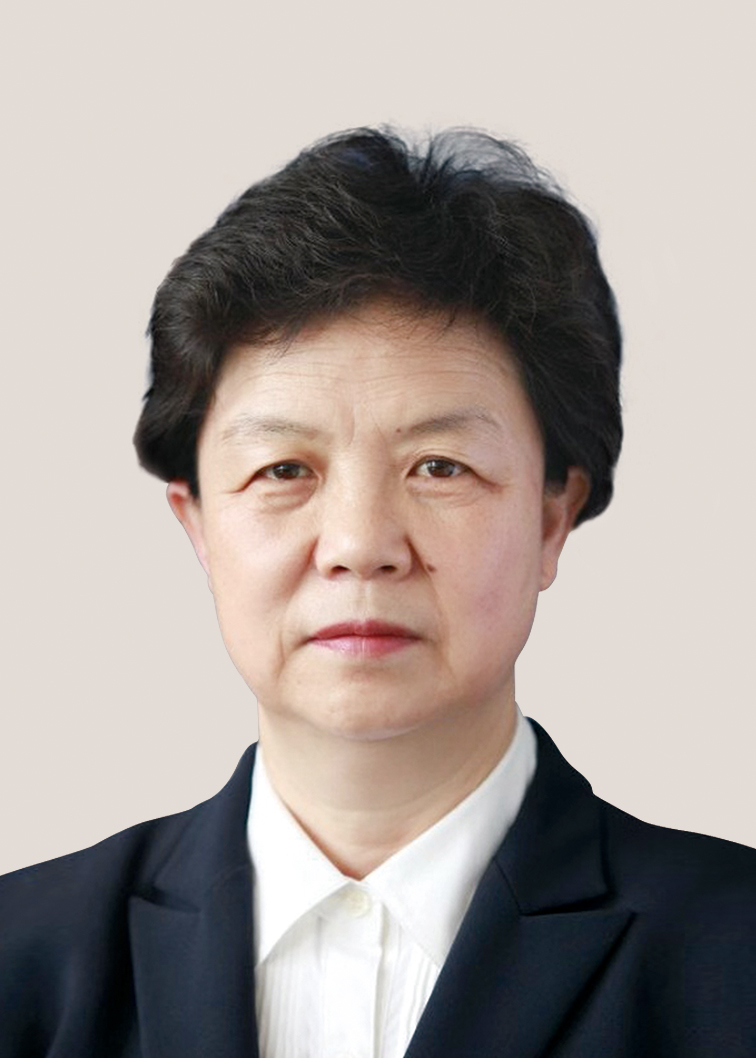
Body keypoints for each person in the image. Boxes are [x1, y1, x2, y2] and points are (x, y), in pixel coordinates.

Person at [1, 126, 754, 1058]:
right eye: (284, 469)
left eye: (440, 466)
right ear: (197, 524)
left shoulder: (736, 957)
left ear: (552, 518)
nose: (360, 547)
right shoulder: (22, 960)